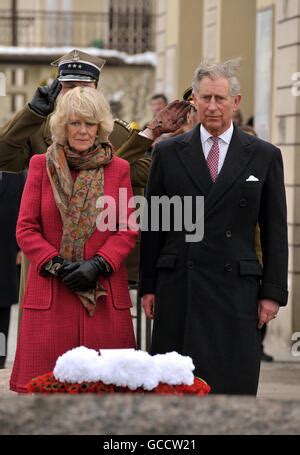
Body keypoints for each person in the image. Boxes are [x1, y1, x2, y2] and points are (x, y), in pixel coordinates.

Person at [139, 59, 288, 395]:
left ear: (236, 102)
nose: (212, 107)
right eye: (204, 98)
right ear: (193, 100)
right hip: (179, 289)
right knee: (175, 395)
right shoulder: (167, 153)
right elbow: (154, 227)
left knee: (230, 393)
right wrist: (149, 285)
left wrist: (272, 293)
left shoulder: (264, 155)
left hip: (236, 292)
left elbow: (275, 230)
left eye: (220, 99)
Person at [10, 87, 138, 393]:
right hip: (53, 293)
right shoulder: (42, 165)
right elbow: (26, 228)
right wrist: (56, 265)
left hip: (102, 294)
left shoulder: (119, 169)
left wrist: (98, 264)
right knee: (48, 398)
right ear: (62, 126)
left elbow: (127, 228)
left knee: (104, 398)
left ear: (100, 127)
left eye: (89, 123)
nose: (83, 131)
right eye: (75, 122)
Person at [0, 172, 25, 368]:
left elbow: (24, 212)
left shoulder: (16, 174)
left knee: (2, 306)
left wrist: (20, 248)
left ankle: (0, 359)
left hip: (7, 251)